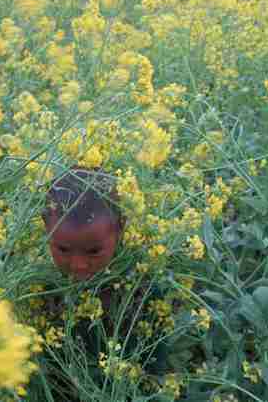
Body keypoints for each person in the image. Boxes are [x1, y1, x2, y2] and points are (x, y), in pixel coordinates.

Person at [32, 166, 171, 400]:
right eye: (63, 249)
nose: (77, 265)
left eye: (93, 251)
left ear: (121, 228)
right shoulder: (42, 286)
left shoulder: (139, 287)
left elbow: (156, 365)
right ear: (46, 227)